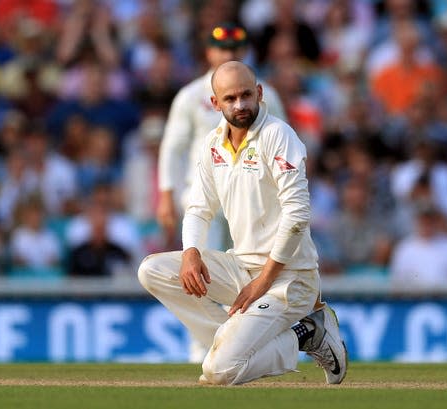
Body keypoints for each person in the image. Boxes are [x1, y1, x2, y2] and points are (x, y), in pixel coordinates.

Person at [138, 62, 347, 385]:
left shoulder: (278, 135)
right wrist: (191, 252)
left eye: (246, 95)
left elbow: (297, 215)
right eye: (230, 98)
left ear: (259, 94)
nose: (240, 105)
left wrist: (263, 281)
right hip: (241, 267)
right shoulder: (213, 144)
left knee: (219, 372)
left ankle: (306, 334)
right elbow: (197, 208)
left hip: (290, 279)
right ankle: (227, 341)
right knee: (152, 270)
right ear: (215, 103)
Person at [156, 22, 285, 363]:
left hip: (253, 196)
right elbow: (173, 147)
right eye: (221, 49)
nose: (227, 54)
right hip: (206, 196)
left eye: (234, 49)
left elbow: (285, 144)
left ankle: (246, 342)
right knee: (200, 275)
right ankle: (207, 344)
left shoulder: (264, 94)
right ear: (209, 52)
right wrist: (166, 193)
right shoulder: (190, 96)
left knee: (252, 273)